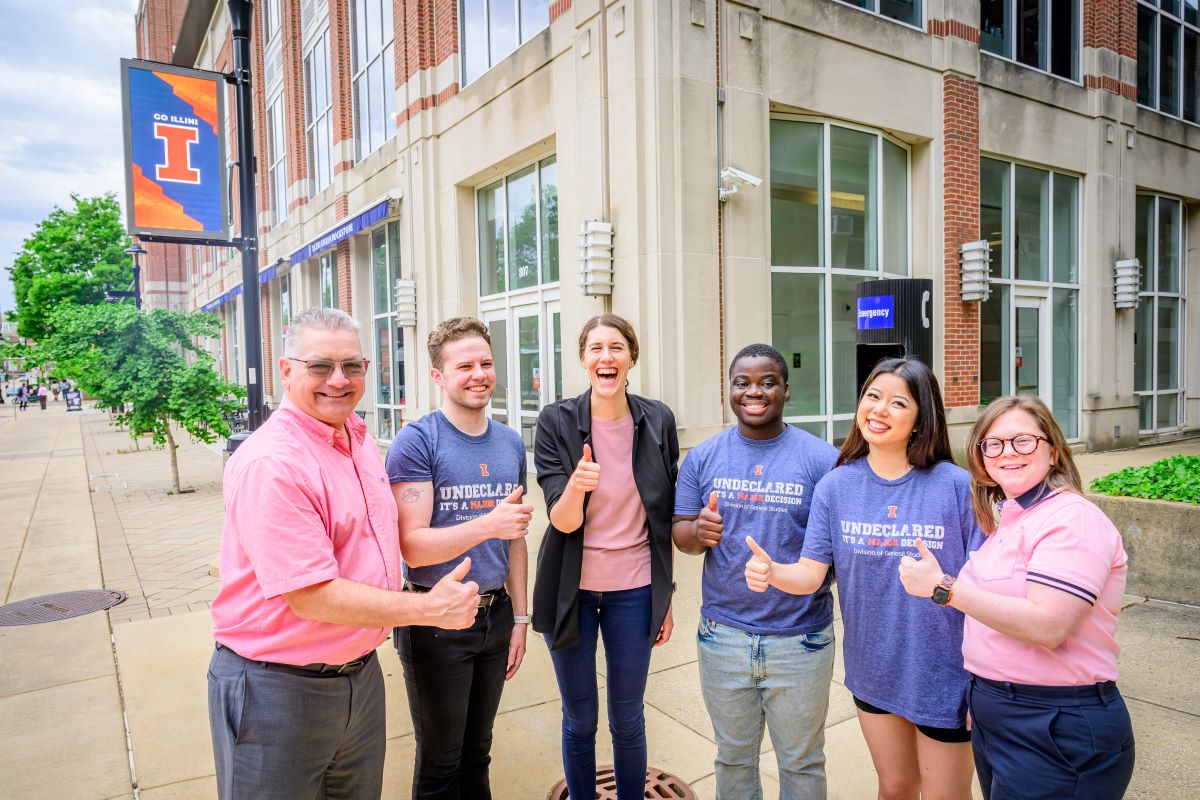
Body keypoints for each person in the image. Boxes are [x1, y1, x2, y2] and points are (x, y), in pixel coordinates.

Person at [207, 307, 480, 800]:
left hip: (358, 676)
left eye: (352, 366)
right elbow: (311, 595)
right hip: (276, 689)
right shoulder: (274, 463)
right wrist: (428, 608)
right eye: (320, 366)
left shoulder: (357, 439)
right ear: (286, 371)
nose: (339, 380)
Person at [746, 357, 980, 800]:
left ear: (920, 418)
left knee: (943, 795)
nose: (879, 409)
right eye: (873, 396)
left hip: (947, 674)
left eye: (897, 402)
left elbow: (987, 590)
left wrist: (982, 674)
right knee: (894, 787)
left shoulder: (956, 487)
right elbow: (812, 575)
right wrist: (774, 572)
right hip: (875, 667)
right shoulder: (836, 486)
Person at [899, 394, 1136, 799]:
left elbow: (1048, 625)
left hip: (1055, 723)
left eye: (1023, 441)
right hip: (1003, 713)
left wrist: (944, 589)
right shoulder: (1013, 519)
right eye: (993, 444)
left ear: (1054, 450)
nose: (1007, 452)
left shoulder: (1071, 519)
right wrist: (985, 695)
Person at [673, 343, 838, 799]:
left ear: (786, 389)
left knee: (802, 763)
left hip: (800, 641)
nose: (754, 391)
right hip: (723, 636)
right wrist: (697, 531)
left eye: (767, 382)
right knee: (732, 758)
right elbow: (681, 536)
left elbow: (834, 559)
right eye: (742, 382)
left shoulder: (822, 460)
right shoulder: (703, 458)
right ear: (730, 389)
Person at [532, 314, 678, 800]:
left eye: (616, 348)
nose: (606, 357)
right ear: (582, 360)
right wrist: (576, 485)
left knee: (628, 718)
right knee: (579, 719)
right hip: (570, 591)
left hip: (635, 590)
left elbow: (662, 519)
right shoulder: (556, 422)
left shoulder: (657, 420)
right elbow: (563, 521)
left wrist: (665, 596)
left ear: (631, 358)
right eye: (595, 349)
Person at [387, 317, 534, 799]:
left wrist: (520, 617)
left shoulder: (511, 442)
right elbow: (412, 544)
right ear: (438, 376)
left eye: (486, 363)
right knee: (440, 761)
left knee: (478, 752)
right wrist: (487, 523)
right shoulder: (418, 441)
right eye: (464, 365)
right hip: (435, 621)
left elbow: (515, 538)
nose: (478, 374)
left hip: (495, 617)